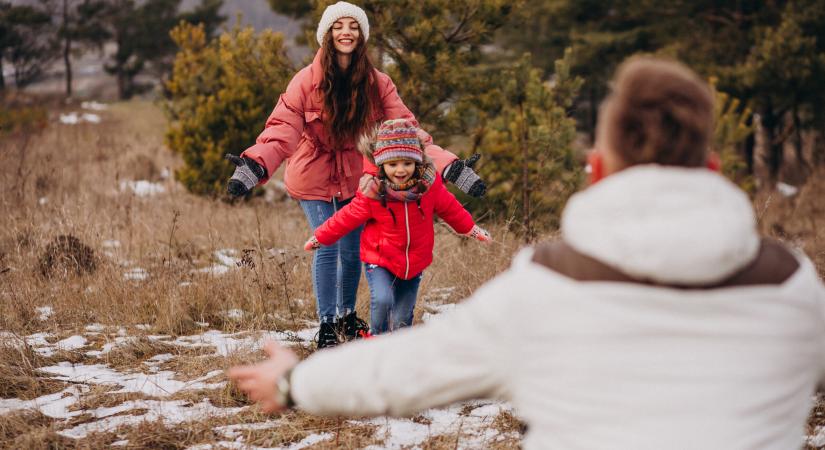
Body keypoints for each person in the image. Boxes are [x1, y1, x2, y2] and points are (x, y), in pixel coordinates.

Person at [229, 57, 825, 449]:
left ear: (596, 169)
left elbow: (409, 368)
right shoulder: (792, 286)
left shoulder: (545, 287)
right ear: (712, 168)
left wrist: (296, 384)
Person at [225, 1, 487, 349]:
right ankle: (328, 324)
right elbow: (281, 129)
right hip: (314, 174)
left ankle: (347, 315)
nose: (345, 32)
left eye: (353, 26)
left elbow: (407, 131)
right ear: (327, 35)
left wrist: (449, 166)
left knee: (352, 250)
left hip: (355, 174)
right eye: (338, 26)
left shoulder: (378, 83)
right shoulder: (305, 82)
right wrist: (256, 164)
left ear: (361, 35)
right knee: (328, 243)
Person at [303, 119, 491, 335]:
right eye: (393, 165)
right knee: (383, 300)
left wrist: (471, 229)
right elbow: (346, 217)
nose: (400, 170)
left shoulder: (429, 187)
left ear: (417, 162)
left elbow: (451, 209)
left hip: (414, 262)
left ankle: (399, 353)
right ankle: (378, 341)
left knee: (402, 318)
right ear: (381, 165)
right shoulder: (373, 192)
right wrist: (320, 237)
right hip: (380, 260)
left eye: (407, 163)